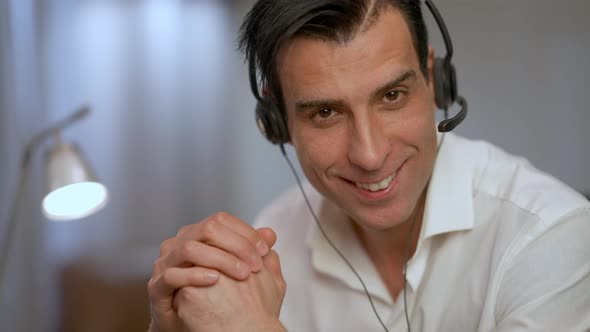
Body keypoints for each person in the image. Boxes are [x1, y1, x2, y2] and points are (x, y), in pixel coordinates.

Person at [147, 1, 590, 331]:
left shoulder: (550, 234)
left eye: (392, 96)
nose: (370, 154)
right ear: (277, 120)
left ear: (434, 81)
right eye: (325, 113)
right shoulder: (275, 235)